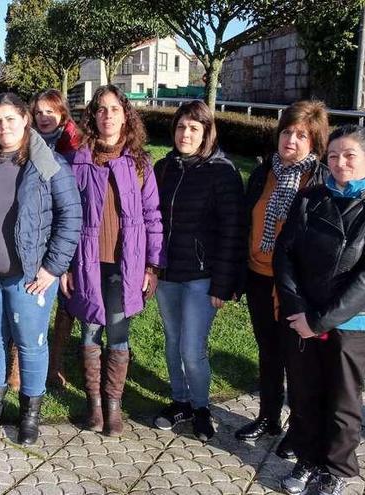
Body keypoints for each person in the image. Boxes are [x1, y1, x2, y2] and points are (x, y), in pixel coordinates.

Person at [274, 125, 365, 495]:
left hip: (354, 323)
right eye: (333, 156)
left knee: (343, 399)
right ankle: (308, 457)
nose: (340, 163)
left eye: (349, 155)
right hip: (302, 317)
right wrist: (297, 308)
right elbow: (285, 253)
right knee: (303, 393)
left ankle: (335, 469)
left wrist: (318, 321)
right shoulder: (310, 197)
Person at [0, 92, 82, 444]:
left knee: (31, 344)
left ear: (25, 119)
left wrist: (52, 268)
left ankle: (29, 416)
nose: (3, 126)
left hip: (30, 276)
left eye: (10, 119)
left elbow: (71, 219)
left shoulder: (49, 165)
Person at [63, 85, 163, 437]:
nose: (107, 116)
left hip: (127, 265)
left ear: (125, 115)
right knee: (90, 328)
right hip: (87, 261)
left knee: (118, 333)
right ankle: (94, 406)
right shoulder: (79, 160)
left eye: (114, 109)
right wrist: (63, 265)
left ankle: (114, 405)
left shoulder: (139, 163)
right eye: (101, 109)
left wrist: (152, 265)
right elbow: (67, 215)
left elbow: (152, 216)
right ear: (93, 116)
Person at [235, 100, 331, 459]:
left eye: (301, 134)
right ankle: (268, 417)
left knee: (298, 361)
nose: (290, 139)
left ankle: (300, 430)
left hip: (295, 288)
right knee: (268, 353)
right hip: (259, 276)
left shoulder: (320, 181)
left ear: (315, 143)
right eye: (287, 131)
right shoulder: (264, 173)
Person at [152, 100, 247, 441]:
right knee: (172, 341)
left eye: (194, 128)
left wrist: (223, 284)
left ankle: (201, 406)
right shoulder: (164, 168)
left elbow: (234, 231)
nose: (185, 134)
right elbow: (152, 222)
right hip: (167, 275)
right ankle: (180, 401)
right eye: (180, 127)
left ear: (207, 132)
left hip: (202, 277)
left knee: (192, 347)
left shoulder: (223, 172)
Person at [29, 88, 82, 388]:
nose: (45, 117)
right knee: (28, 295)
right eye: (39, 112)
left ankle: (56, 361)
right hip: (34, 235)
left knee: (65, 299)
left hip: (64, 232)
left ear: (62, 114)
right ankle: (19, 360)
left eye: (51, 111)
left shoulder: (74, 149)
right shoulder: (26, 145)